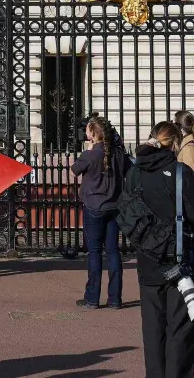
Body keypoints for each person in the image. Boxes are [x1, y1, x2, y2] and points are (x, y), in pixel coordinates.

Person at [122, 121, 194, 378]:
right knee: (181, 330)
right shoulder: (180, 172)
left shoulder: (134, 173)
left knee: (153, 330)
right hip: (181, 258)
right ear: (174, 144)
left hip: (148, 258)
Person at [70, 116, 129, 310]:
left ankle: (92, 297)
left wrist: (86, 152)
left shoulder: (92, 153)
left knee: (94, 252)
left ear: (93, 134)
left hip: (94, 205)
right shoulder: (118, 153)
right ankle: (115, 298)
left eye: (87, 130)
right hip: (114, 205)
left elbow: (75, 169)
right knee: (113, 251)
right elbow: (130, 169)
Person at [173, 111, 194, 182]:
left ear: (180, 127)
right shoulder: (186, 143)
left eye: (174, 124)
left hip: (186, 191)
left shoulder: (189, 148)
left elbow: (191, 177)